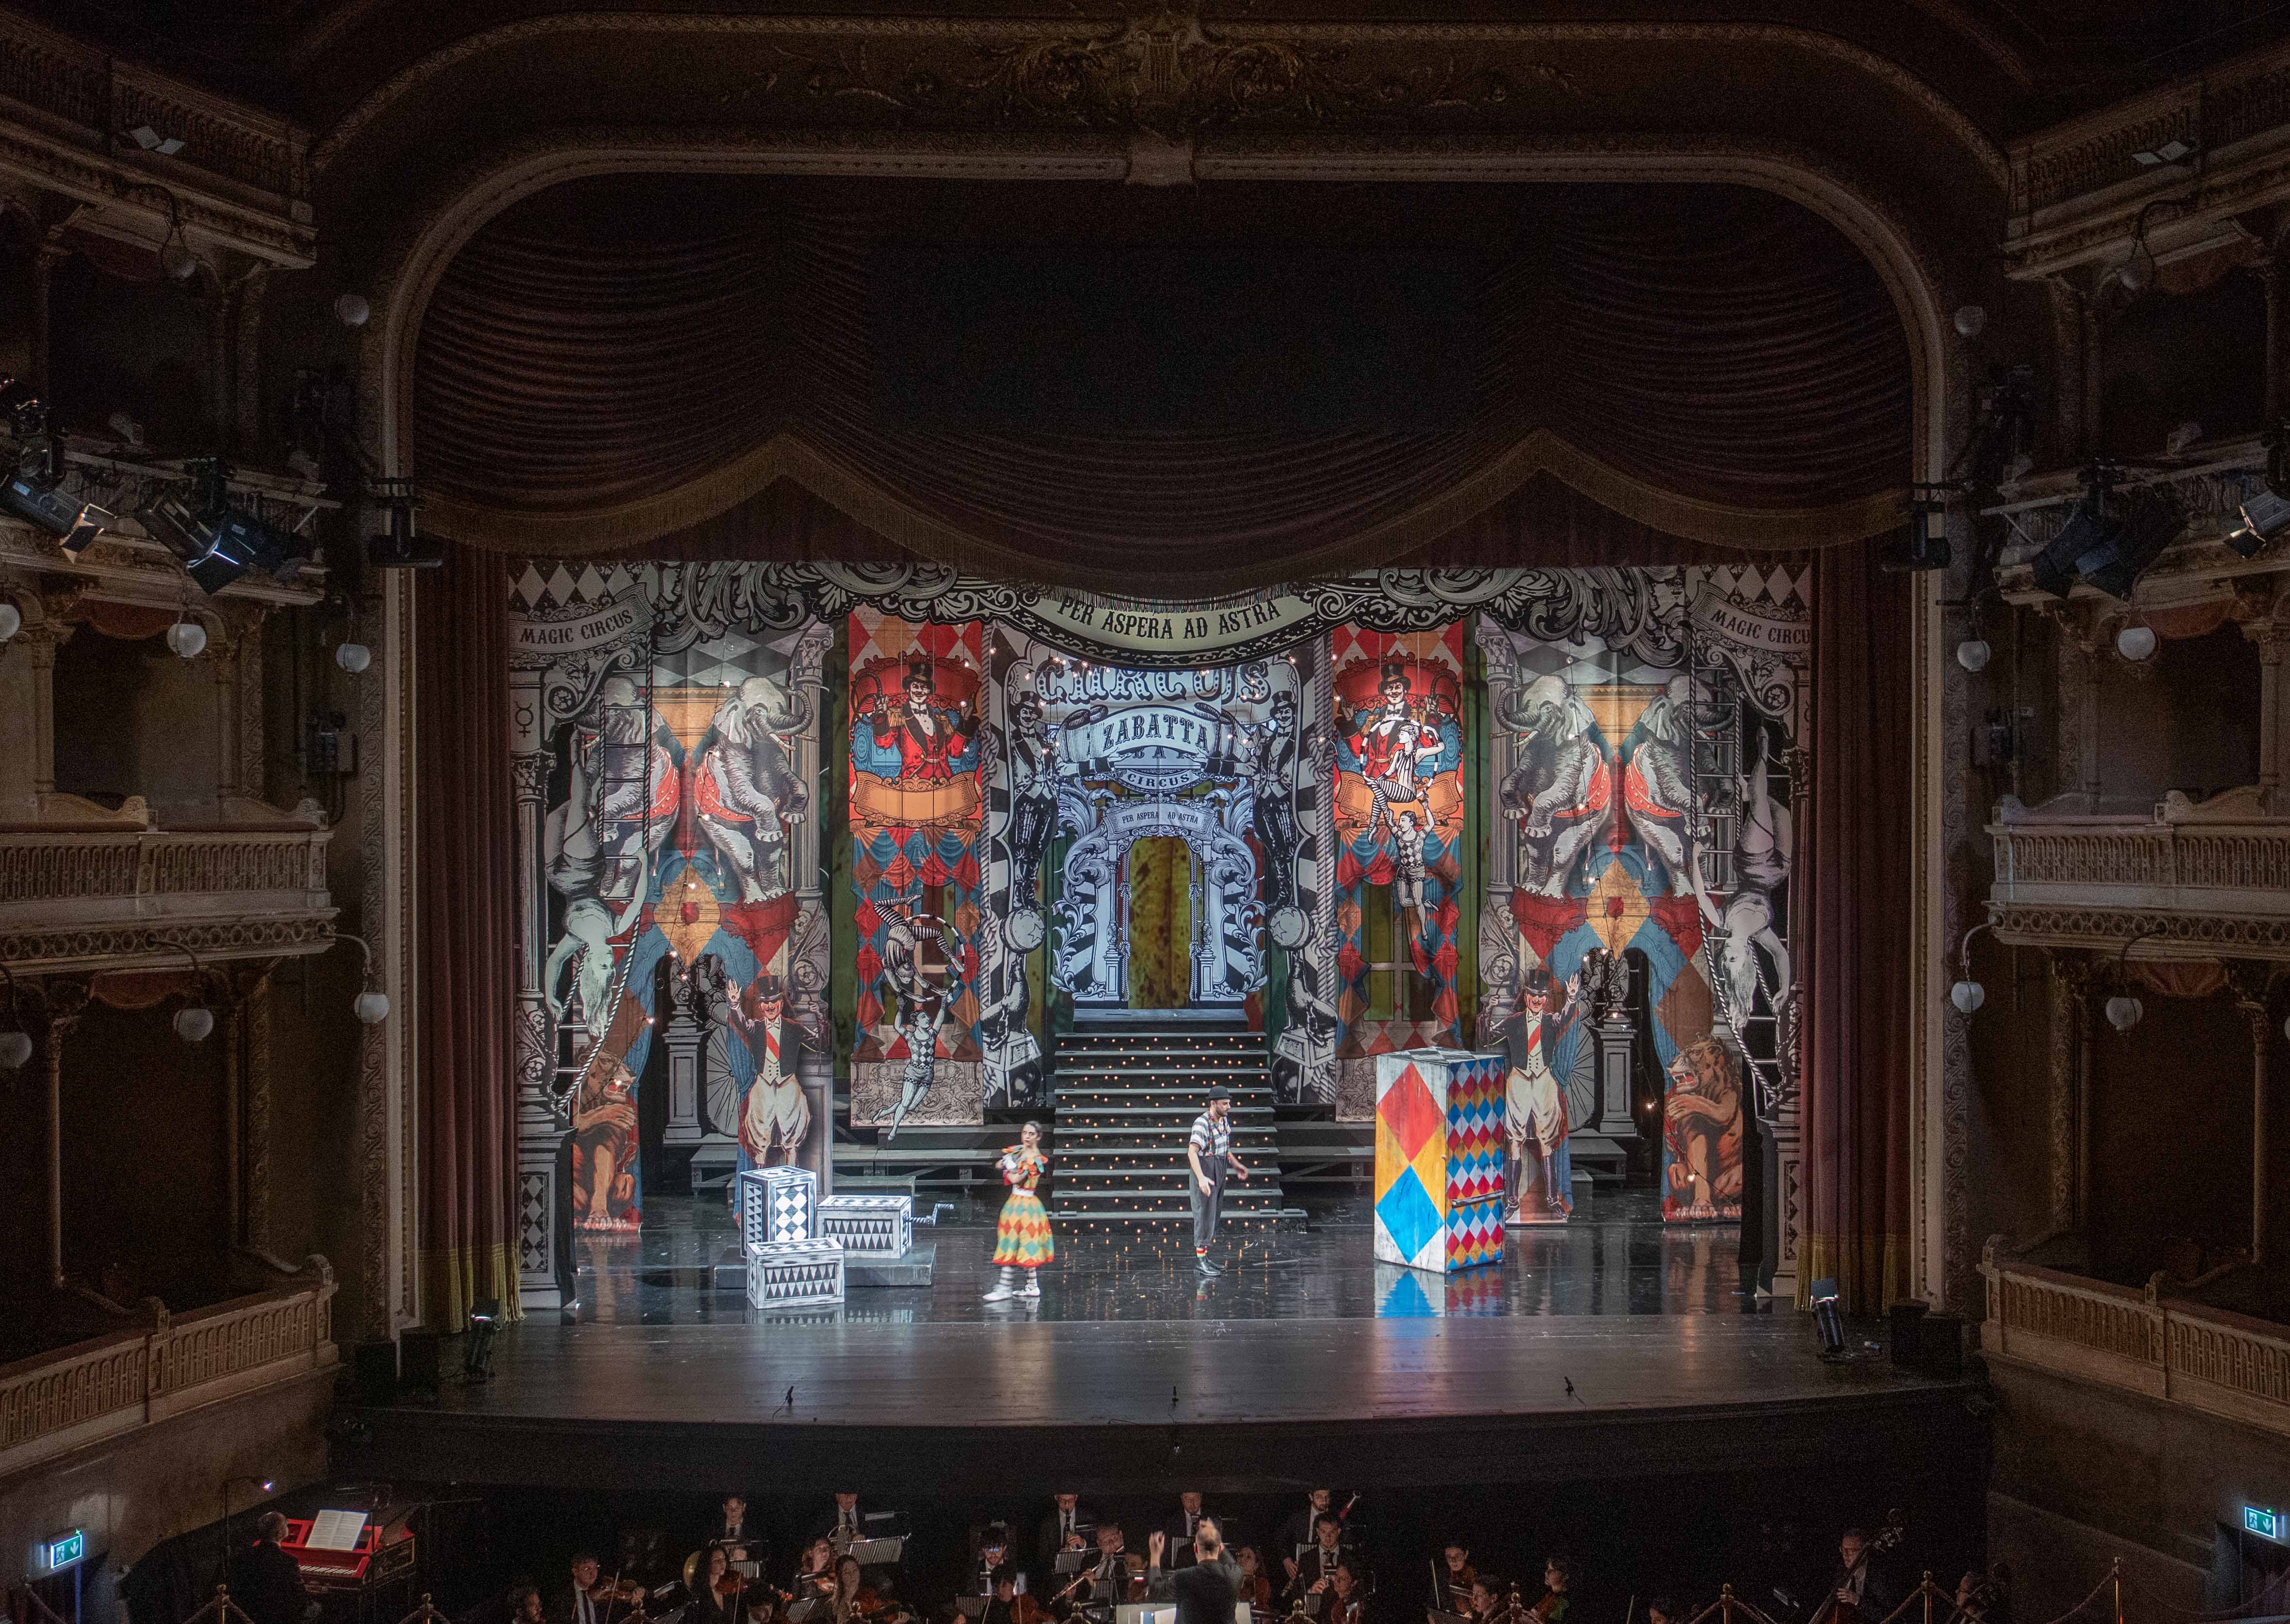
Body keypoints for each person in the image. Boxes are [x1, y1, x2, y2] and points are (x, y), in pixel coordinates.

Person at [1187, 1087, 1252, 1278]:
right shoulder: (1202, 1123)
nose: (1229, 1107)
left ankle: (1205, 1257)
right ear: (1213, 1104)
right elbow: (1192, 1153)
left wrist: (1236, 1165)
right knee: (1203, 1214)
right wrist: (1201, 1178)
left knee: (1213, 1215)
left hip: (1220, 1168)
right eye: (1225, 1104)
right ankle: (1200, 1262)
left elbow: (1225, 1147)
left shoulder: (1223, 1121)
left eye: (1229, 1103)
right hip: (1206, 1170)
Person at [985, 1121, 1054, 1302]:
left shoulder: (1035, 1160)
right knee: (1021, 1243)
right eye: (1025, 1133)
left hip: (1026, 1207)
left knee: (1014, 1243)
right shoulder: (1019, 1151)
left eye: (1031, 1134)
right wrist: (1007, 1163)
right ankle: (1032, 1286)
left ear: (1038, 1137)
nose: (1027, 1137)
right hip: (1016, 1203)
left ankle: (1004, 1287)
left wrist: (1009, 1167)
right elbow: (998, 1164)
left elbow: (1016, 1178)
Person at [226, 1512, 308, 1624]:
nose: (288, 1527)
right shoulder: (287, 1561)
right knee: (317, 1608)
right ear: (280, 1533)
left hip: (248, 1612)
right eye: (286, 1525)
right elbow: (300, 1597)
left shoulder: (242, 1556)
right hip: (276, 1616)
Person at [1171, 1517, 1245, 1624]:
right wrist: (1214, 1536)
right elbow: (1233, 1566)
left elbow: (1156, 1591)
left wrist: (1155, 1557)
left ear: (1195, 1548)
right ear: (1220, 1548)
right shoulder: (1234, 1575)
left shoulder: (1182, 1577)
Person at [1037, 1496, 1097, 1571]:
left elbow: (1098, 1546)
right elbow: (1043, 1555)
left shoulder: (1088, 1517)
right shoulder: (1048, 1522)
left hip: (1084, 1570)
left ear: (1076, 1497)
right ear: (1056, 1497)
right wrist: (1058, 1558)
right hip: (1058, 1572)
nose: (1067, 1505)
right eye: (1063, 1500)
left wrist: (1083, 1543)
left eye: (1071, 1500)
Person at [1163, 1493, 1212, 1569]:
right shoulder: (1172, 1521)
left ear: (1201, 1497)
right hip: (1181, 1567)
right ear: (1182, 1499)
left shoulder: (1212, 1518)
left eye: (1196, 1498)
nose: (1192, 1503)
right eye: (1188, 1499)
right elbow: (1167, 1552)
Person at [711, 1496, 759, 1563]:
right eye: (730, 1508)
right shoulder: (714, 1527)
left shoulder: (755, 1528)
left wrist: (747, 1557)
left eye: (737, 1508)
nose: (733, 1512)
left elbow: (761, 1553)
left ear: (744, 1507)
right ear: (724, 1508)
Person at [1233, 1547, 1274, 1616]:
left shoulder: (1262, 1584)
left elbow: (1262, 1609)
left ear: (1256, 1566)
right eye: (1241, 1555)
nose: (1242, 1559)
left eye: (1249, 1557)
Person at [1528, 1559, 1569, 1624]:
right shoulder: (1549, 1596)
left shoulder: (1563, 1601)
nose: (1546, 1573)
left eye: (1552, 1571)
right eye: (1548, 1569)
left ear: (1565, 1576)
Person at [1439, 1547, 1476, 1613]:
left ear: (1466, 1554)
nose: (1453, 1561)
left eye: (1458, 1556)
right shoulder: (1442, 1578)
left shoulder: (1476, 1576)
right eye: (1449, 1557)